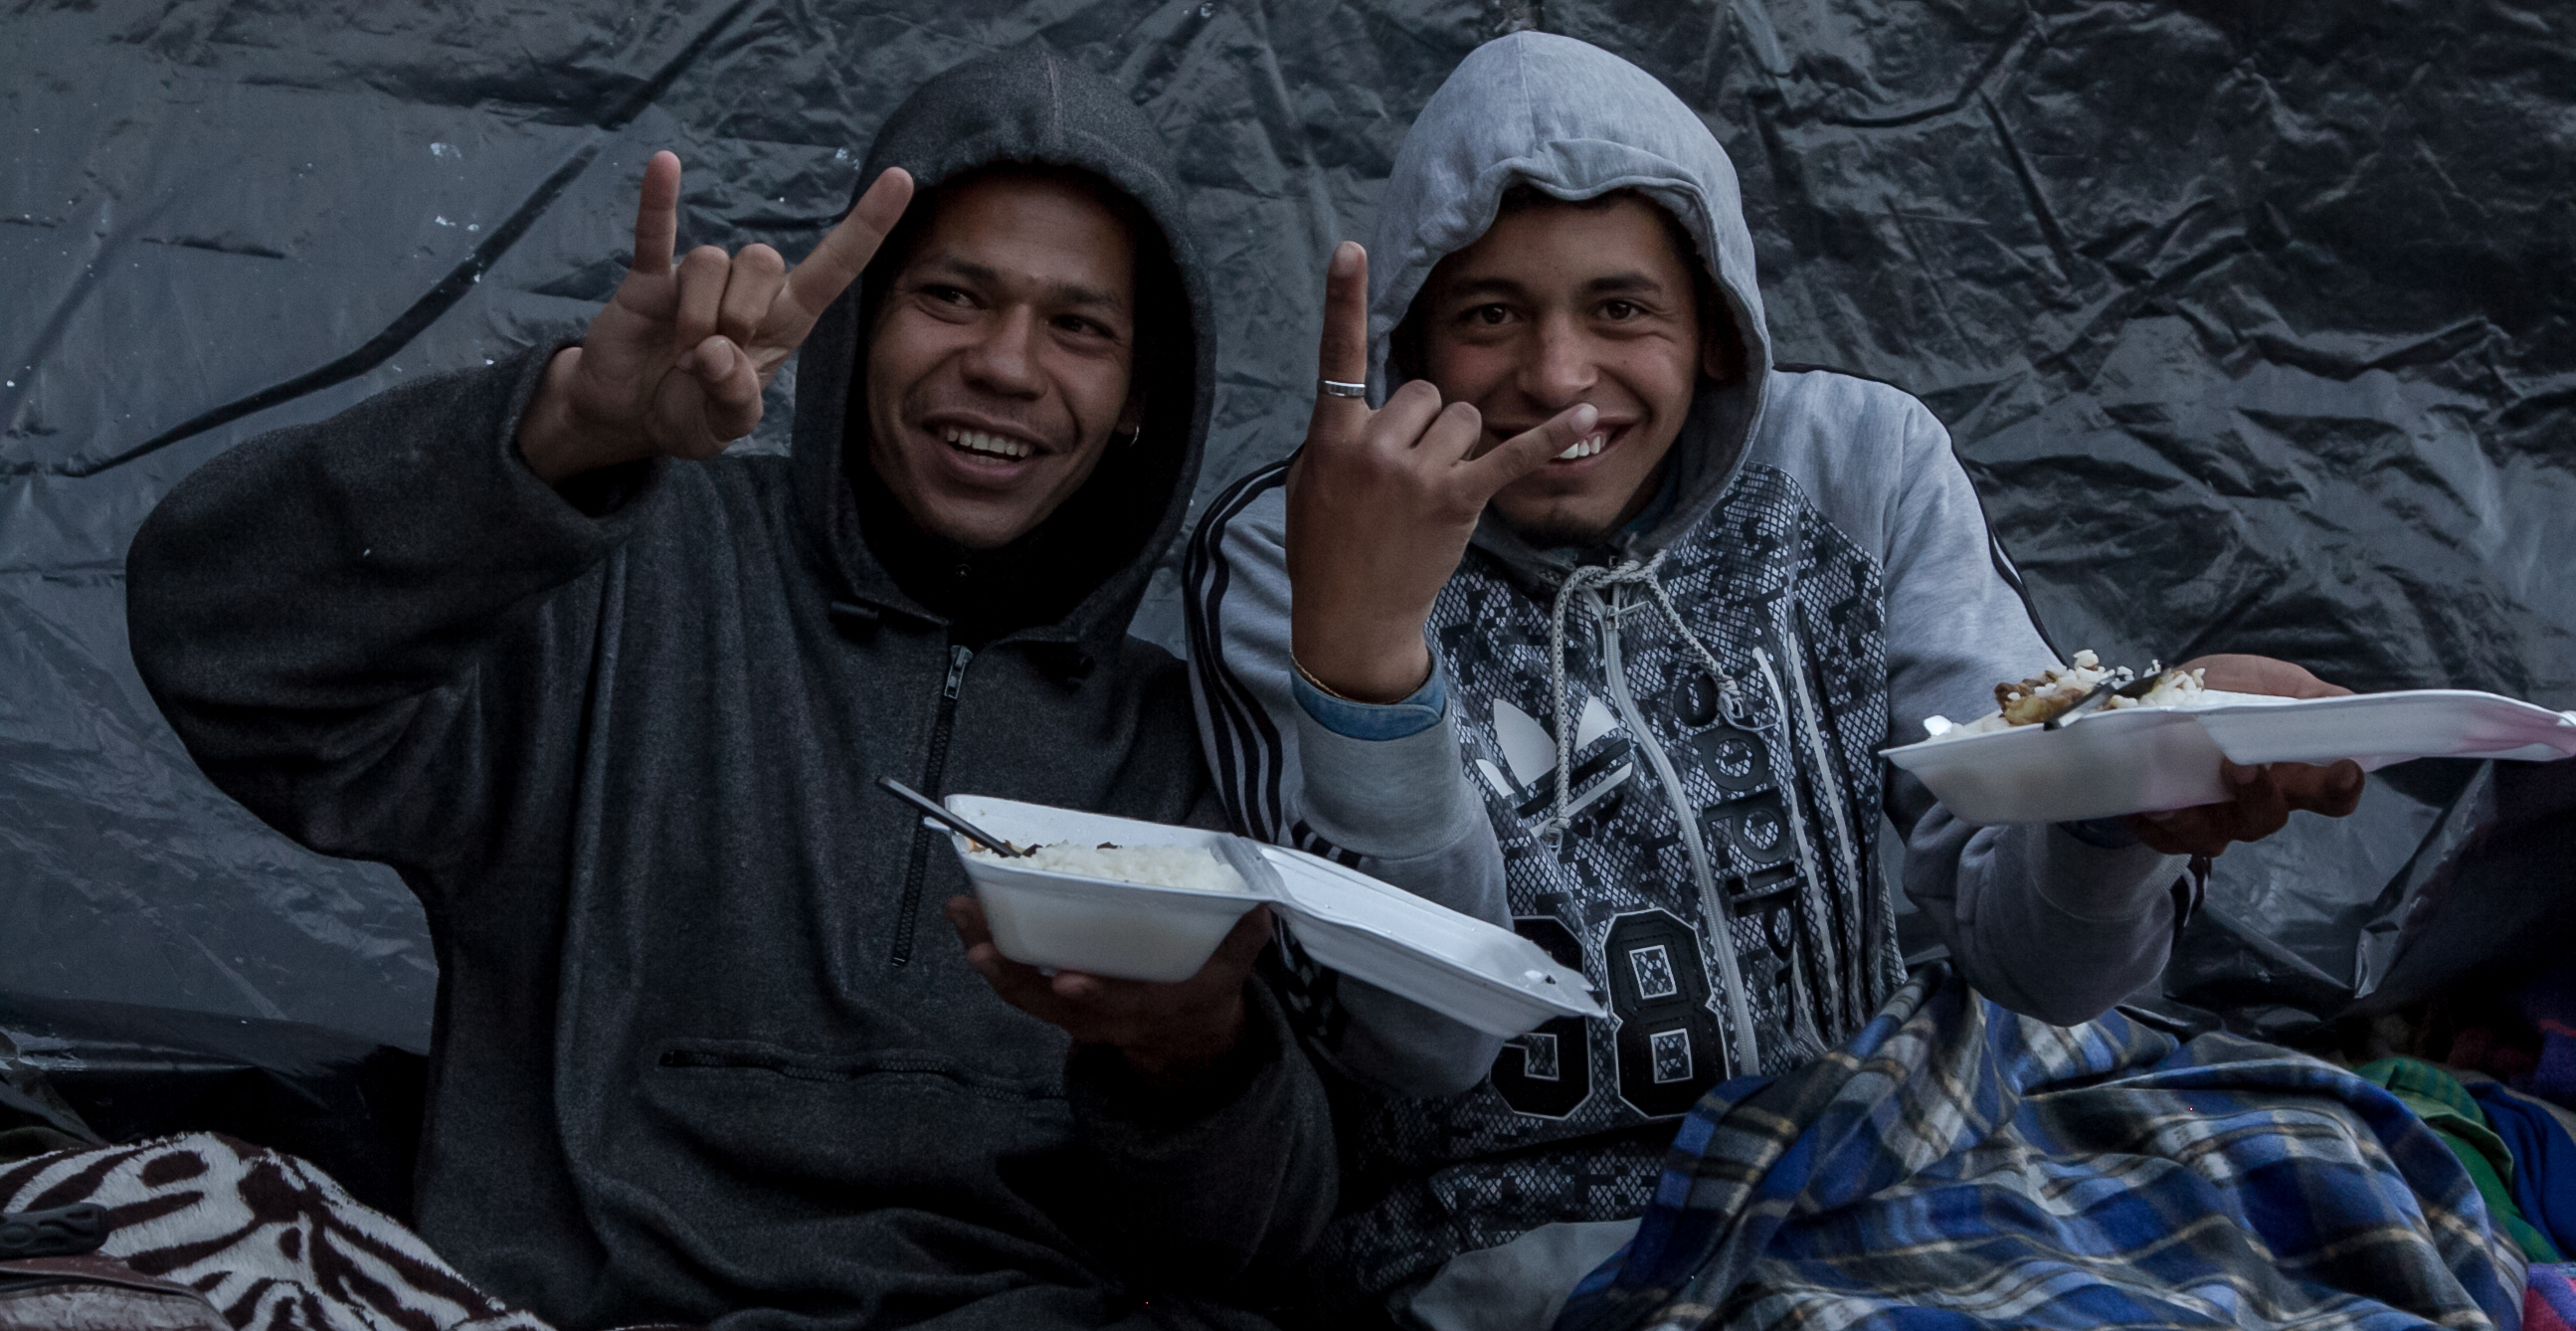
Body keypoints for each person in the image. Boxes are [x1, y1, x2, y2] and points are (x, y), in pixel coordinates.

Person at [119, 41, 1332, 1331]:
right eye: (951, 296)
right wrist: (565, 427)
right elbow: (224, 649)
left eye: (1078, 326)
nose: (1007, 365)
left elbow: (1265, 1248)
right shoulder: (613, 571)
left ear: (1140, 395)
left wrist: (1194, 1055)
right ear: (858, 322)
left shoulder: (1178, 746)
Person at [1185, 32, 2368, 1326]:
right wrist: (1369, 657)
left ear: (1715, 326)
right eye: (1490, 315)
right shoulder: (1297, 548)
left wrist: (2119, 798)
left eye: (1622, 309)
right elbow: (1421, 1045)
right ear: (1412, 339)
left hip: (1866, 1152)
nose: (1559, 378)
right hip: (1512, 1236)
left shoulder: (1859, 470)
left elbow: (2045, 967)